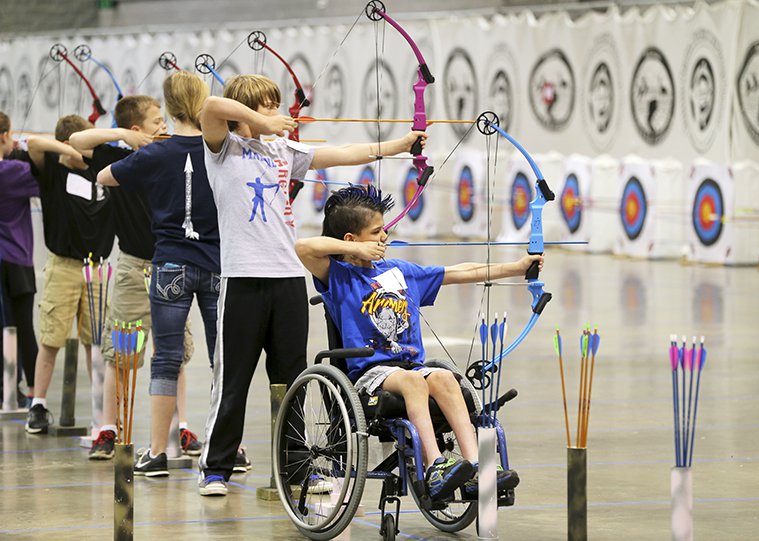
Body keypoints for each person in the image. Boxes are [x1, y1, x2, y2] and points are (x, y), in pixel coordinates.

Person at [195, 73, 427, 496]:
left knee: (292, 378)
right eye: (267, 106)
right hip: (243, 278)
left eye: (274, 104)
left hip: (286, 280)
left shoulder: (284, 149)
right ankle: (215, 468)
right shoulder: (222, 150)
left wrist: (400, 146)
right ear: (247, 112)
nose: (276, 112)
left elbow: (341, 153)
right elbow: (209, 108)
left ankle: (298, 470)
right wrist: (259, 122)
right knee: (233, 379)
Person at [295, 185, 524, 501]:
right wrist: (357, 252)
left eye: (384, 229)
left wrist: (518, 268)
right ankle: (435, 468)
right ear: (351, 240)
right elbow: (304, 247)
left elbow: (460, 271)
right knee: (415, 381)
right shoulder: (338, 275)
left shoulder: (399, 271)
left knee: (444, 377)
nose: (384, 237)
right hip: (371, 376)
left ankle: (477, 469)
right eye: (376, 232)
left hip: (412, 369)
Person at [97, 72, 226, 477]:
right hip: (216, 265)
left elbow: (104, 177)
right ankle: (230, 449)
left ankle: (156, 453)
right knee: (225, 358)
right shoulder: (222, 148)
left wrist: (139, 149)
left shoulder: (155, 153)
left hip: (169, 264)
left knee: (165, 359)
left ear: (169, 111)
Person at [69, 96, 203, 460]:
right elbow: (77, 143)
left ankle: (182, 427)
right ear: (135, 129)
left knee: (172, 352)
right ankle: (108, 429)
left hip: (172, 263)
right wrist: (121, 137)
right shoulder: (117, 157)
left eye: (165, 119)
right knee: (122, 354)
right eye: (156, 121)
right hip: (132, 265)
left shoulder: (170, 153)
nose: (163, 126)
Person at [20, 115, 115, 434]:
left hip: (97, 269)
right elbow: (33, 143)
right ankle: (38, 404)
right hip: (63, 266)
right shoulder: (54, 172)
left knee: (96, 342)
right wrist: (68, 151)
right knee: (51, 339)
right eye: (86, 140)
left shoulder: (102, 172)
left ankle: (101, 412)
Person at [0, 111, 39, 408]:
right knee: (22, 327)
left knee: (9, 325)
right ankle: (31, 393)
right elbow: (45, 177)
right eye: (10, 135)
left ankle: (9, 390)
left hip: (10, 258)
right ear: (3, 137)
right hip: (16, 258)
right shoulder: (12, 171)